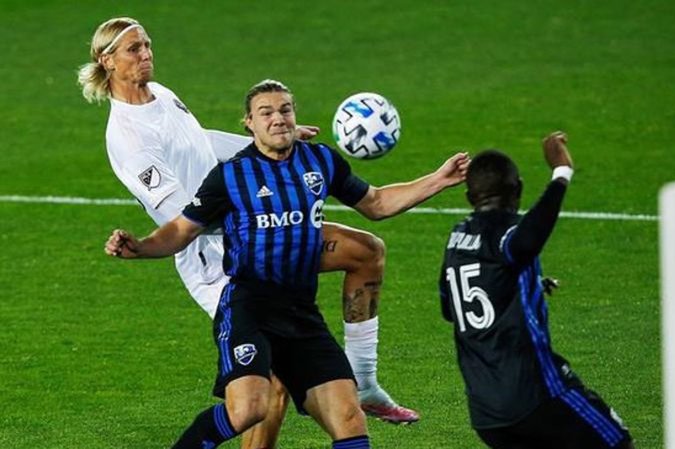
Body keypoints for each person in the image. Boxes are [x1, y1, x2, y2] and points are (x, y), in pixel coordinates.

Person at [77, 17, 417, 448]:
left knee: (365, 251)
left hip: (261, 228)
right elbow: (180, 218)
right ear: (107, 60)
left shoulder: (159, 94)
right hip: (218, 259)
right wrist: (262, 210)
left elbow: (200, 140)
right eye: (133, 49)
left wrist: (269, 141)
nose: (146, 54)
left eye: (147, 44)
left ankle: (364, 382)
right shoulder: (128, 139)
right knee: (267, 388)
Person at [104, 78, 470, 448]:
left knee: (349, 419)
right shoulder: (231, 176)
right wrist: (141, 247)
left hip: (300, 313)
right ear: (249, 124)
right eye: (266, 113)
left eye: (285, 110)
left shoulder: (320, 160)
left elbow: (377, 204)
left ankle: (365, 382)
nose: (278, 118)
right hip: (250, 308)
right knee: (249, 408)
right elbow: (181, 230)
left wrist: (439, 179)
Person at [437, 132, 634, 449]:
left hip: (488, 416)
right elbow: (526, 241)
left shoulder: (457, 239)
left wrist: (531, 284)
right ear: (518, 189)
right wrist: (561, 173)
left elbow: (452, 307)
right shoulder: (507, 233)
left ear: (469, 198)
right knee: (617, 441)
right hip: (536, 396)